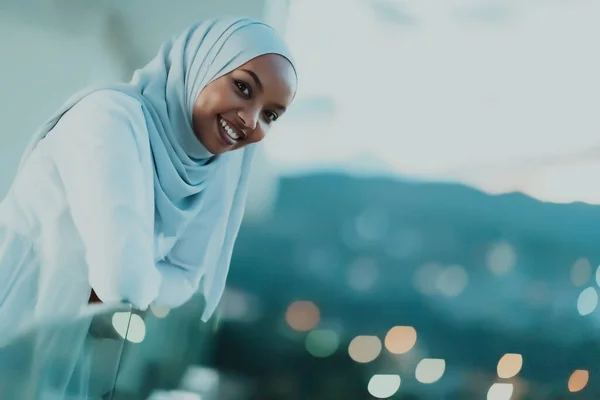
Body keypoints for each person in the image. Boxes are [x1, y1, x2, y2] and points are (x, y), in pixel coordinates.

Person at [0, 17, 298, 335]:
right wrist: (142, 277)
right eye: (242, 87)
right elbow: (122, 282)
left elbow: (186, 278)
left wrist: (139, 277)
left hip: (48, 338)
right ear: (203, 67)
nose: (251, 120)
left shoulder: (208, 168)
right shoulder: (110, 118)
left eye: (270, 115)